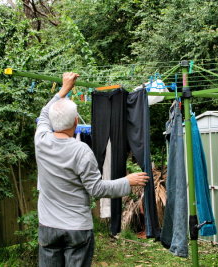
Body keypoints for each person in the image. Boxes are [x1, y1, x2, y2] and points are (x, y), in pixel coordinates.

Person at [35, 72, 150, 267]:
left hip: (48, 227)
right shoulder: (81, 150)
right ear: (76, 122)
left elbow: (44, 113)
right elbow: (96, 189)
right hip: (77, 229)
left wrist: (64, 89)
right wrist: (127, 181)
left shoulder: (41, 140)